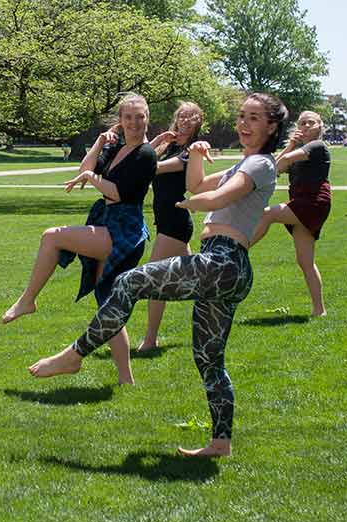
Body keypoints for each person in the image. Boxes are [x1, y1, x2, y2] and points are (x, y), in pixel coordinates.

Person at [27, 93, 287, 458]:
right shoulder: (245, 163)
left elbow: (217, 197)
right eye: (241, 116)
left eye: (254, 119)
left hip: (222, 262)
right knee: (209, 360)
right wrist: (195, 154)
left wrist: (196, 205)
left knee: (129, 281)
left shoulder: (259, 164)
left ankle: (75, 354)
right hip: (226, 267)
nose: (244, 124)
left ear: (271, 127)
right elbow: (195, 185)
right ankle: (221, 442)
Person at [2, 93, 156, 385]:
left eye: (140, 117)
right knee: (107, 304)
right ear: (120, 122)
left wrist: (92, 179)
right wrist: (99, 144)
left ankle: (27, 300)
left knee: (52, 237)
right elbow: (84, 169)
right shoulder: (118, 148)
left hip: (124, 228)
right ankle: (127, 380)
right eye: (128, 117)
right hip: (109, 222)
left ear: (147, 118)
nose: (134, 123)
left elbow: (118, 192)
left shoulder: (145, 154)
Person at [137, 102, 205, 351]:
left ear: (199, 121)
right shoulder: (168, 146)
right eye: (182, 116)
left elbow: (149, 167)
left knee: (154, 278)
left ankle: (150, 340)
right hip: (164, 221)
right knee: (197, 281)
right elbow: (142, 159)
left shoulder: (190, 151)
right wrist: (155, 142)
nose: (185, 120)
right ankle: (217, 301)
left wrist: (147, 153)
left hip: (175, 223)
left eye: (191, 117)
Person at [250, 110, 331, 316]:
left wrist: (292, 148)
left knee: (268, 214)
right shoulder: (300, 148)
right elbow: (275, 167)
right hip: (301, 201)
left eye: (309, 123)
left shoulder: (317, 146)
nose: (304, 126)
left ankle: (241, 247)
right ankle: (319, 311)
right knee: (305, 262)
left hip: (313, 202)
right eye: (301, 123)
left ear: (319, 126)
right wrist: (291, 144)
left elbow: (285, 161)